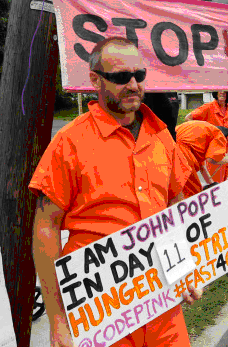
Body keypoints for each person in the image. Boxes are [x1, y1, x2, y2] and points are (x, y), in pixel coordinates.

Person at [31, 37, 202, 347]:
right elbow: (46, 227)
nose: (134, 84)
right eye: (122, 77)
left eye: (139, 75)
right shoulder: (69, 142)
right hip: (99, 310)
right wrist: (57, 320)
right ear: (96, 79)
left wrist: (185, 270)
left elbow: (176, 207)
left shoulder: (163, 137)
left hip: (163, 307)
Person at [184, 91, 228, 182]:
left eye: (225, 91)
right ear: (215, 93)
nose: (222, 93)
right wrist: (203, 134)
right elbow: (188, 118)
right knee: (216, 184)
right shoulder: (208, 107)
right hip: (215, 153)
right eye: (219, 91)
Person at [175, 120, 228, 197]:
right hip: (182, 150)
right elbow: (212, 159)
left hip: (170, 141)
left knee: (175, 188)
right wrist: (226, 159)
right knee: (193, 192)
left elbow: (202, 167)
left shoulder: (204, 133)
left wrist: (212, 184)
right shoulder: (219, 134)